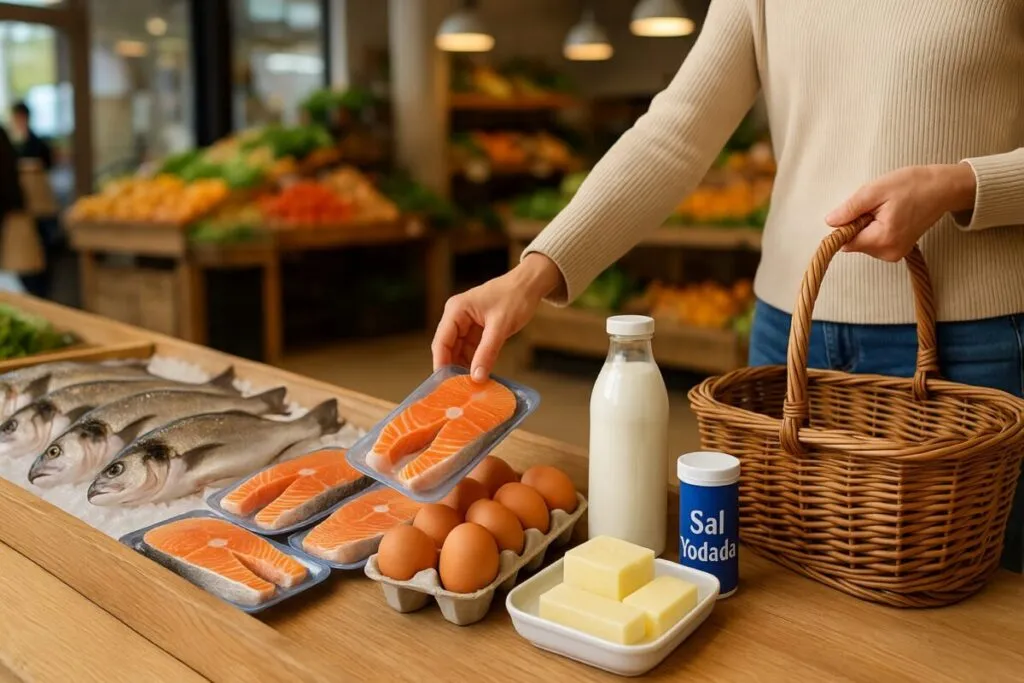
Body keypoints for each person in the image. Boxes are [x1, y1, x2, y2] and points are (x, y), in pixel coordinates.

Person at [432, 1, 1024, 571]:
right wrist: (533, 273)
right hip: (790, 340)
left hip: (969, 344)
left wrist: (963, 183)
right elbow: (676, 130)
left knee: (977, 612)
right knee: (775, 591)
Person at [10, 102, 52, 171]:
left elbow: (47, 165)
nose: (19, 122)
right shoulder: (8, 145)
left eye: (21, 118)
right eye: (16, 119)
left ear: (27, 119)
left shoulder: (39, 145)